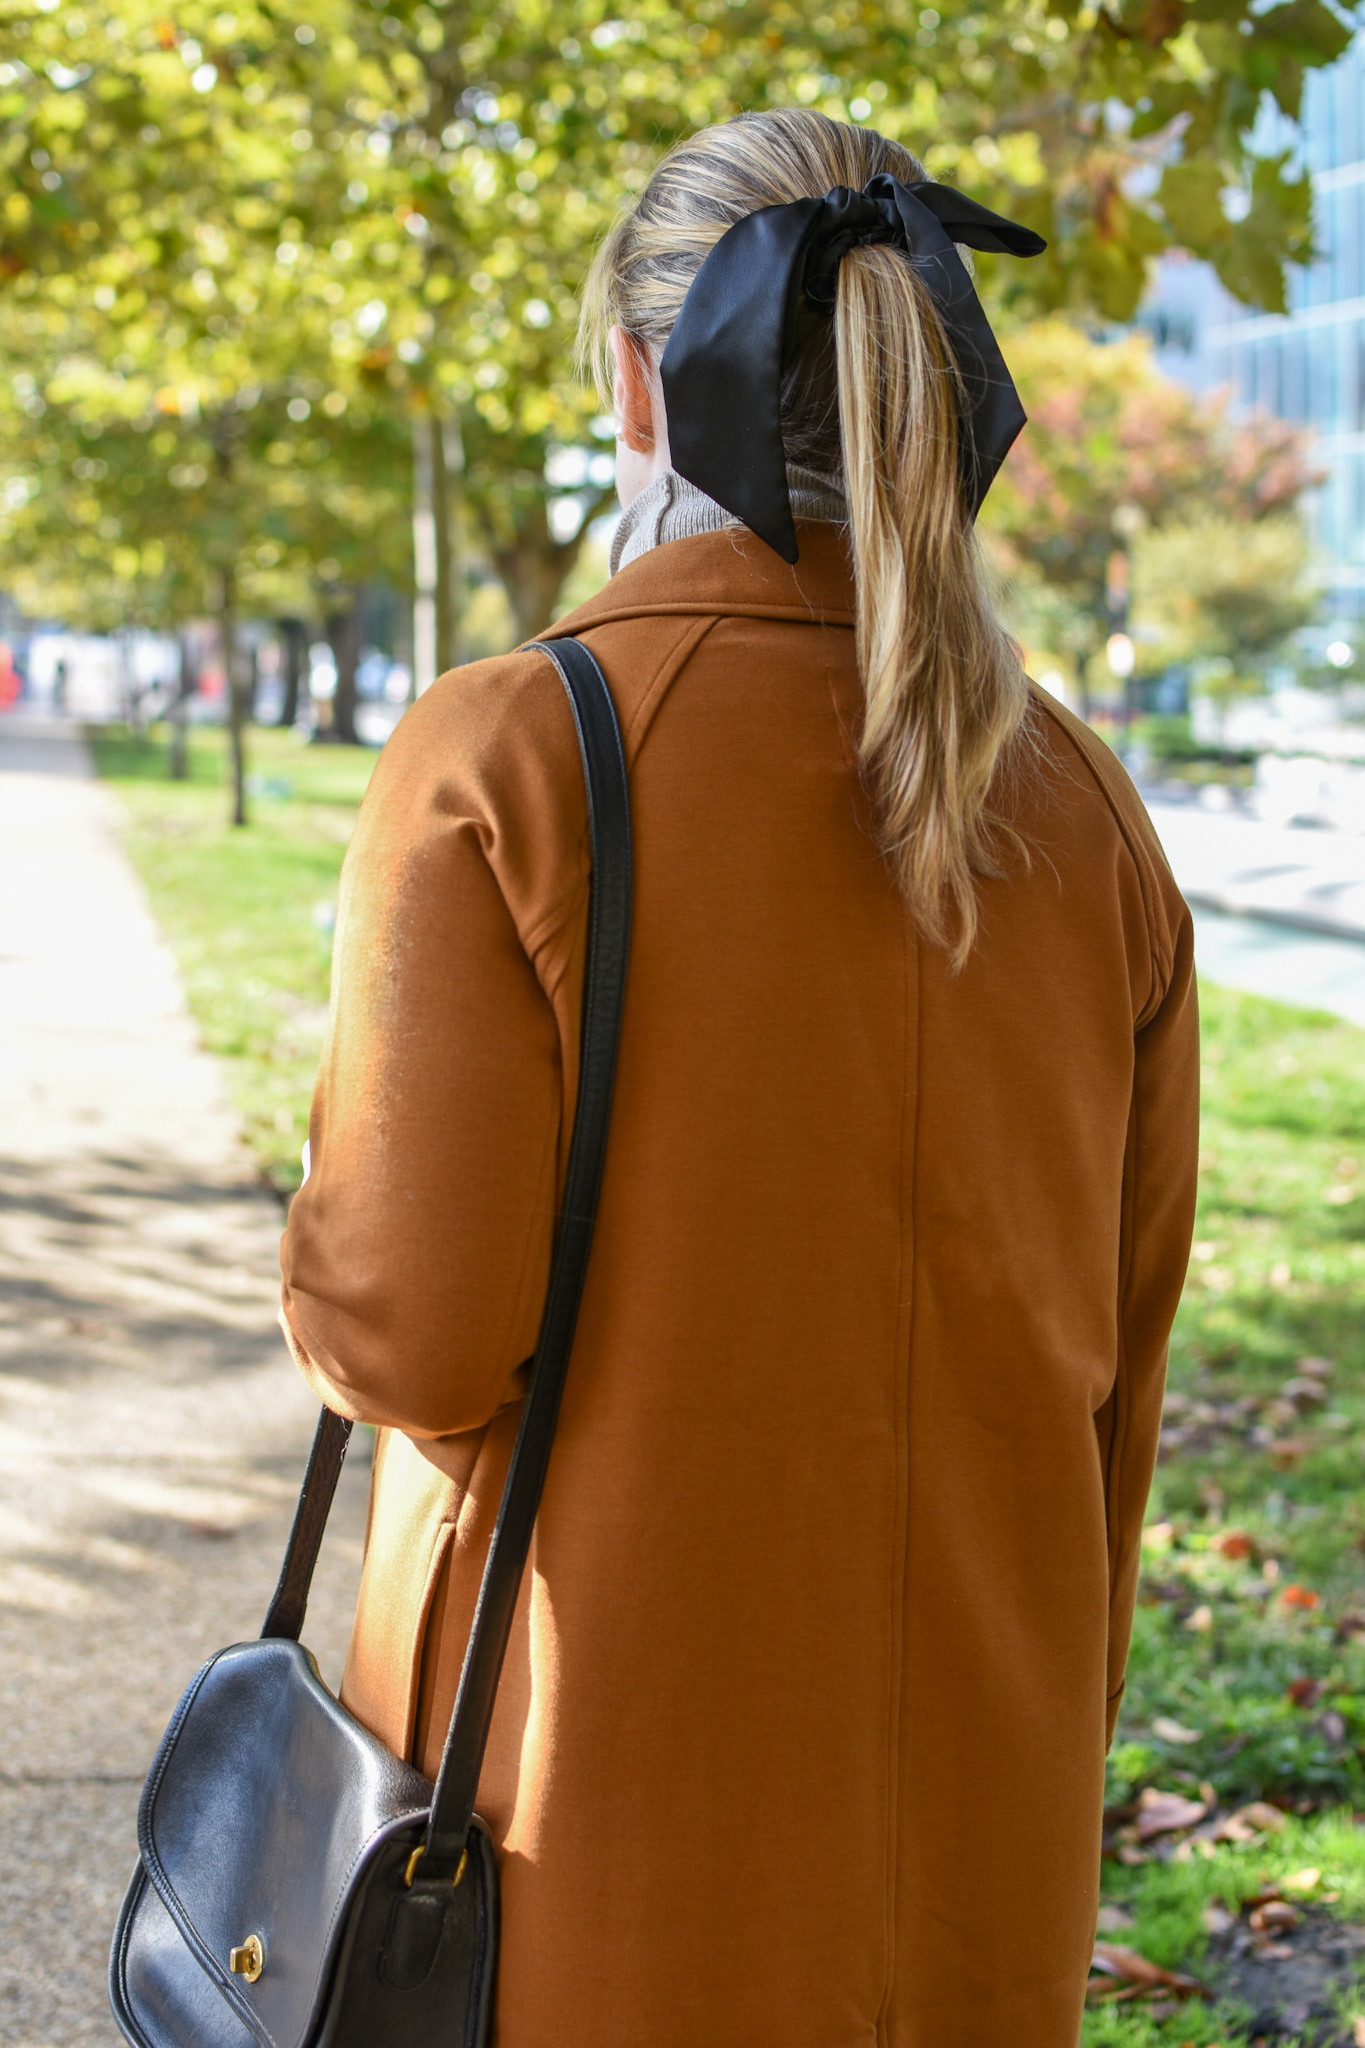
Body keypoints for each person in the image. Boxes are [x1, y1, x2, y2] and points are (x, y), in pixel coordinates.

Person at [280, 107, 1198, 2048]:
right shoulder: (1082, 815)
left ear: (634, 378)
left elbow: (412, 1340)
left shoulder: (506, 755)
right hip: (978, 1825)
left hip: (587, 1843)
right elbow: (1110, 1369)